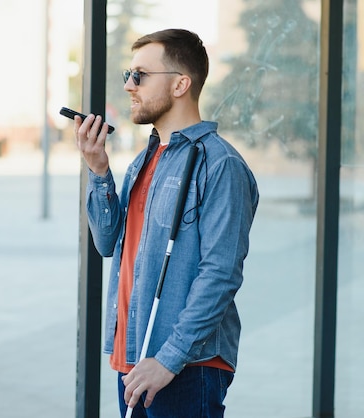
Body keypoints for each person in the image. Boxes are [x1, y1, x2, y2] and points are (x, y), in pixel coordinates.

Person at [74, 28, 259, 417]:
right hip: (134, 358)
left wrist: (169, 359)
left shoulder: (221, 165)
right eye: (129, 74)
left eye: (140, 75)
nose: (128, 85)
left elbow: (221, 274)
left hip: (185, 365)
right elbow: (108, 243)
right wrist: (99, 170)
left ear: (180, 84)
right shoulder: (146, 159)